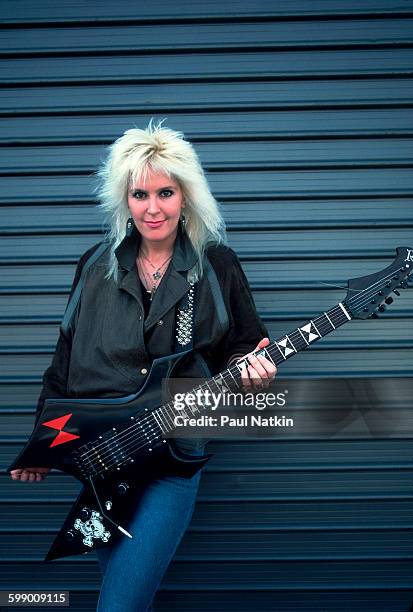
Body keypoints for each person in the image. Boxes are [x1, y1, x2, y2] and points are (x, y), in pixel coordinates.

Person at [9, 119, 277, 611]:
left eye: (165, 192)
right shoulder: (94, 265)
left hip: (171, 460)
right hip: (101, 459)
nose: (153, 208)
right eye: (139, 194)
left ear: (185, 195)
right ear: (124, 199)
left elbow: (242, 347)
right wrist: (39, 446)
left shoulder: (216, 265)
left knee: (120, 605)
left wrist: (255, 370)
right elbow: (63, 364)